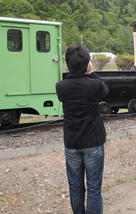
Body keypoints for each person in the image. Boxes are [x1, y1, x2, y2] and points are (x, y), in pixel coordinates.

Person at [55, 44, 109, 214]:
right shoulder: (94, 85)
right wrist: (91, 72)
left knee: (75, 187)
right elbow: (104, 88)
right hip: (93, 141)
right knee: (94, 188)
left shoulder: (61, 86)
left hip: (72, 142)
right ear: (87, 63)